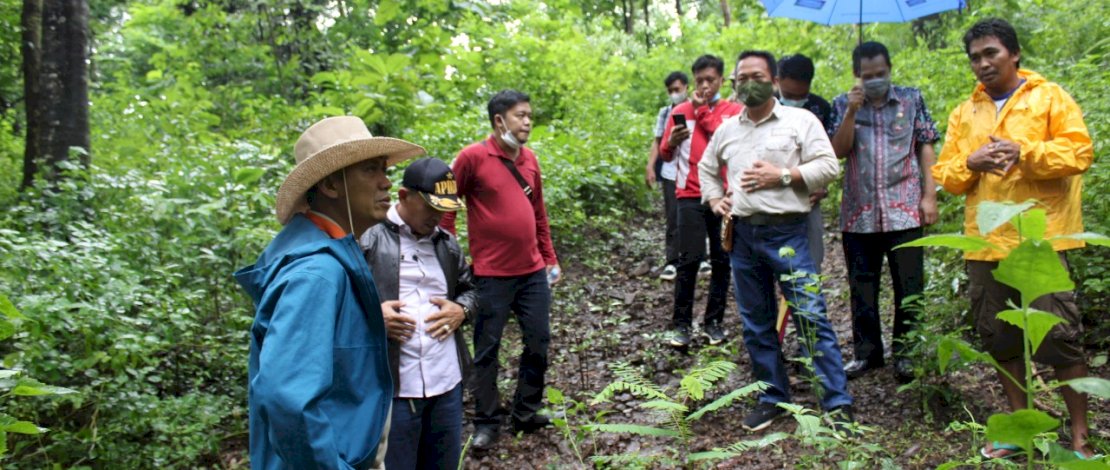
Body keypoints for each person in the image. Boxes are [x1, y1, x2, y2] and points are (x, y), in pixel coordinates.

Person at [934, 18, 1096, 460]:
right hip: (986, 243)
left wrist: (1026, 153)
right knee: (998, 336)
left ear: (1014, 53)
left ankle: (1080, 434)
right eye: (975, 57)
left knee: (1059, 335)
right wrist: (972, 160)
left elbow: (1079, 151)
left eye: (991, 53)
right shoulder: (964, 112)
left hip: (1041, 238)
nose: (983, 64)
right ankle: (1017, 428)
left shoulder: (1049, 97)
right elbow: (946, 175)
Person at [235, 116, 424, 469]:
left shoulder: (329, 255)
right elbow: (286, 398)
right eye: (370, 170)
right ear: (332, 186)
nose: (386, 182)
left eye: (384, 169)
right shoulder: (317, 274)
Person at [700, 50, 852, 433]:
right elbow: (705, 167)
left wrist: (783, 175)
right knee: (756, 322)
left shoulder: (800, 120)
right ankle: (773, 398)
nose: (749, 83)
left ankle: (836, 403)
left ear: (774, 79)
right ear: (734, 84)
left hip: (788, 233)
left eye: (757, 75)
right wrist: (715, 198)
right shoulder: (728, 129)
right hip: (743, 235)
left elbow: (828, 166)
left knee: (810, 315)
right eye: (742, 77)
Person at [441, 90, 561, 450]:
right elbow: (447, 205)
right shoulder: (472, 158)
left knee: (538, 341)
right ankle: (486, 422)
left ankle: (526, 410)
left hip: (532, 272)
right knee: (487, 350)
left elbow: (538, 214)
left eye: (529, 116)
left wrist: (550, 257)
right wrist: (448, 253)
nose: (527, 122)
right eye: (520, 116)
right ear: (499, 121)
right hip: (491, 274)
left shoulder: (531, 160)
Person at [828, 41, 940, 383]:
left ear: (890, 69)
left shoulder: (911, 98)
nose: (876, 79)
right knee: (862, 286)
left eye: (881, 73)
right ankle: (867, 353)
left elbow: (926, 145)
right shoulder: (842, 104)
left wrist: (930, 195)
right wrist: (851, 111)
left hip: (904, 208)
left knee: (909, 286)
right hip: (858, 212)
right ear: (856, 75)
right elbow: (837, 151)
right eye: (868, 75)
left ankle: (907, 355)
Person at [360, 158, 478, 470]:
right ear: (403, 196)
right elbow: (342, 303)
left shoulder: (447, 245)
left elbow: (472, 290)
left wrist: (462, 310)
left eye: (444, 208)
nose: (438, 215)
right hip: (395, 387)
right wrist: (374, 317)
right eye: (430, 207)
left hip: (446, 383)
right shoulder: (368, 238)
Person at [658, 55, 743, 347]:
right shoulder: (678, 111)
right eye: (700, 80)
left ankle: (713, 322)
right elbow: (665, 155)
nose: (705, 85)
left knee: (722, 259)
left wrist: (701, 109)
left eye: (710, 80)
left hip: (723, 196)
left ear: (721, 80)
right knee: (689, 259)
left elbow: (721, 137)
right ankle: (681, 325)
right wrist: (670, 142)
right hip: (689, 195)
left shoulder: (733, 111)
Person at [777, 53, 833, 271]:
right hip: (772, 198)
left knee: (811, 260)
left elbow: (827, 156)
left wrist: (822, 187)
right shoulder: (763, 107)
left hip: (809, 198)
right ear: (777, 81)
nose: (795, 101)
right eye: (789, 95)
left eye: (801, 95)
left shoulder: (820, 109)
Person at [646, 71, 689, 281]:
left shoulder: (697, 109)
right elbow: (657, 140)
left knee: (697, 216)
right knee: (673, 216)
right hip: (670, 171)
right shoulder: (665, 114)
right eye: (671, 90)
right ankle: (672, 260)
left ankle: (700, 257)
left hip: (694, 171)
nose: (674, 94)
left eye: (677, 89)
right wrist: (650, 166)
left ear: (686, 87)